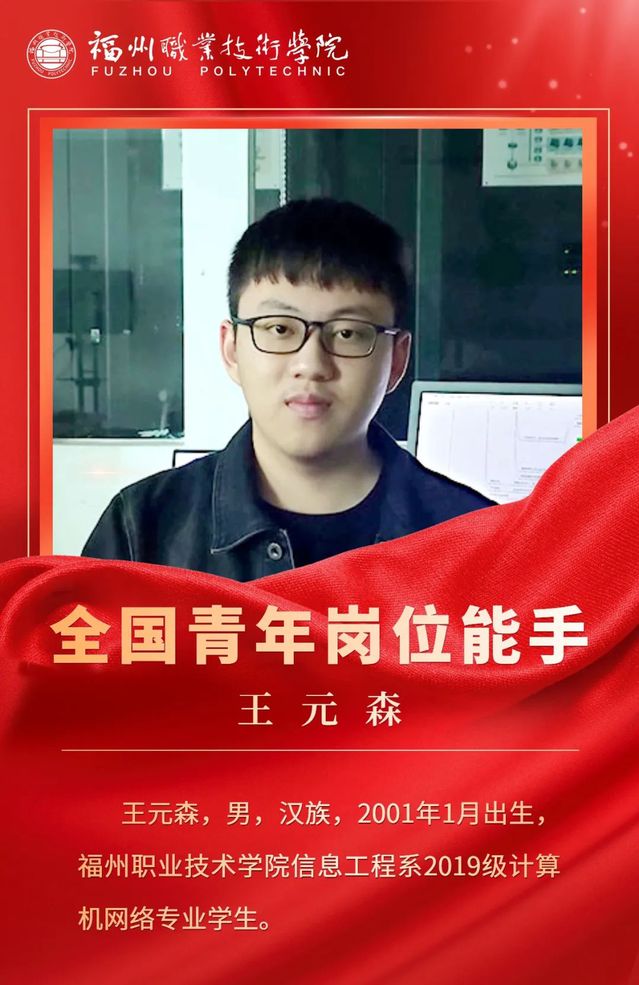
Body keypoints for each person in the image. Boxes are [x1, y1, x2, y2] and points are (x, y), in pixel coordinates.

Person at [82, 198, 493, 579]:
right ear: (232, 349)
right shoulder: (140, 533)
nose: (311, 365)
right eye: (279, 329)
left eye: (348, 333)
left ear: (396, 361)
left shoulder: (476, 541)